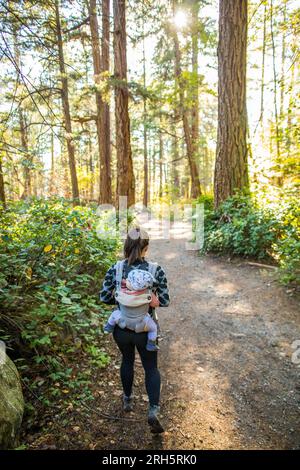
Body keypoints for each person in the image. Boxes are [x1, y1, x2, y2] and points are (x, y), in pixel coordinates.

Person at [100, 227, 170, 433]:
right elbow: (164, 301)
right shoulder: (156, 270)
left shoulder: (116, 268)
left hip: (121, 328)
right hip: (146, 328)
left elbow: (104, 297)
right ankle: (153, 411)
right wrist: (148, 299)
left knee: (127, 361)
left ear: (126, 246)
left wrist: (124, 297)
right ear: (145, 248)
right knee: (151, 367)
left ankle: (128, 400)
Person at [103, 268, 160, 351]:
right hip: (142, 322)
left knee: (114, 314)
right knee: (153, 328)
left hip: (123, 320)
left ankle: (109, 327)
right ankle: (151, 343)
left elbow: (113, 298)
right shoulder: (148, 293)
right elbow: (156, 304)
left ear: (133, 284)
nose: (126, 280)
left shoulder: (122, 291)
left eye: (128, 280)